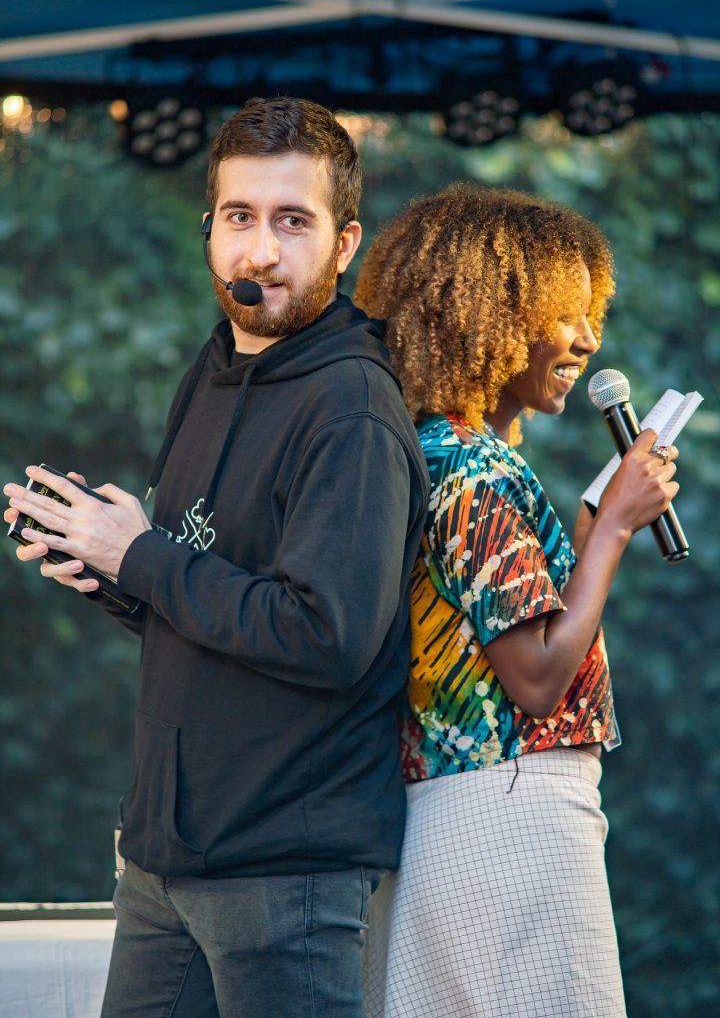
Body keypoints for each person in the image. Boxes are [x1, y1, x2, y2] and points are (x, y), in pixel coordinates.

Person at [3, 96, 429, 1018]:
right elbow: (211, 587)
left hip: (284, 869)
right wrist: (110, 570)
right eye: (240, 217)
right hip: (163, 858)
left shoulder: (351, 408)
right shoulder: (210, 371)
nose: (260, 252)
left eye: (292, 221)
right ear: (210, 228)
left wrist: (144, 559)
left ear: (345, 243)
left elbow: (325, 635)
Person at [353, 184, 680, 1018]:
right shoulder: (474, 468)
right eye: (566, 316)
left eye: (590, 315)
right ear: (489, 319)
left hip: (458, 806)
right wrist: (612, 531)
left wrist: (589, 527)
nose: (588, 340)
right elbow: (534, 679)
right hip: (509, 810)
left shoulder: (432, 450)